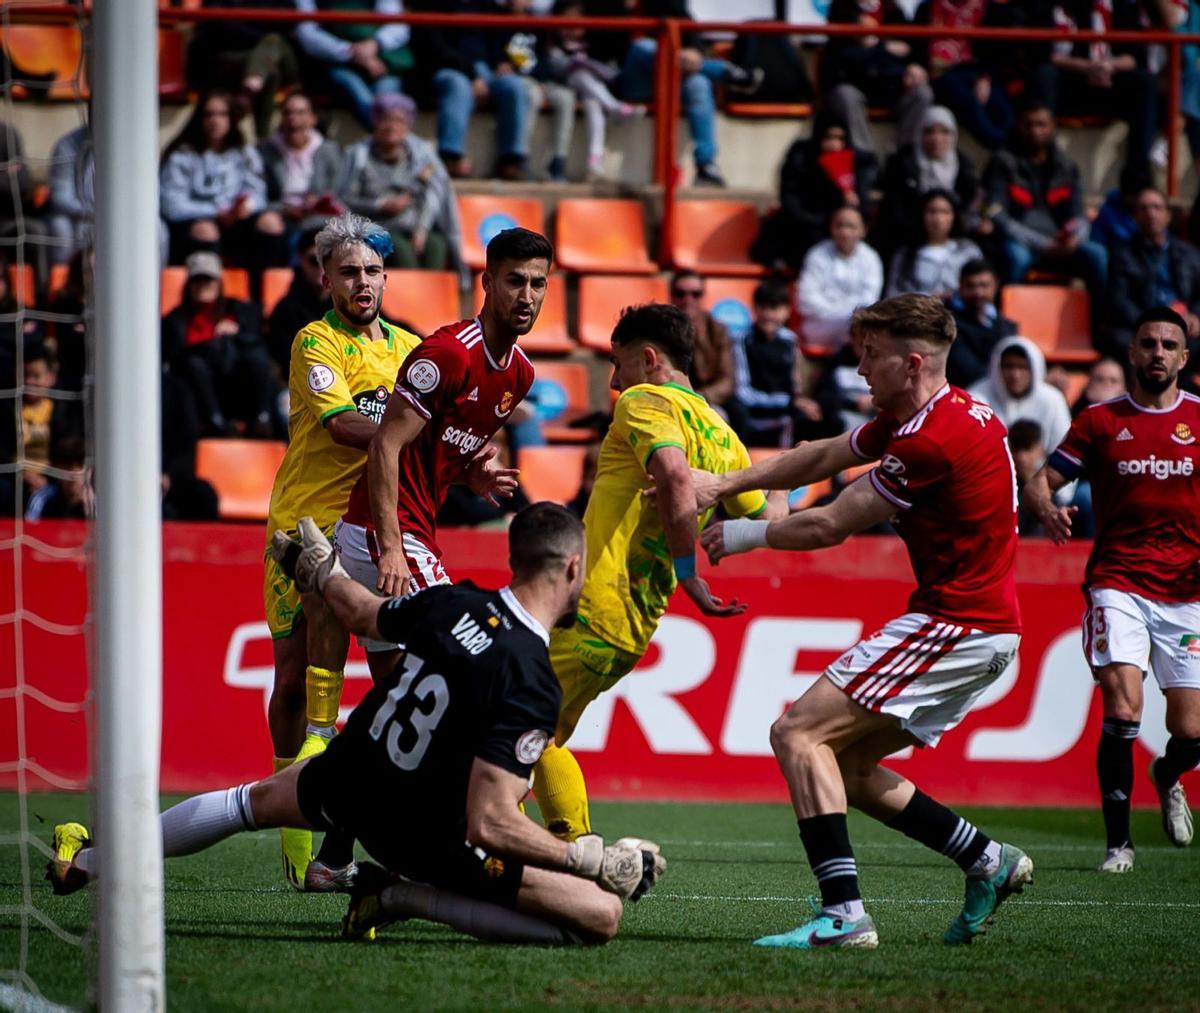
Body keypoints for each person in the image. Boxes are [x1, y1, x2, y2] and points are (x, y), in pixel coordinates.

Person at [48, 503, 668, 946]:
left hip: (355, 773)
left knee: (245, 803)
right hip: (419, 835)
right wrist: (587, 859)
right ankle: (398, 896)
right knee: (600, 917)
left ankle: (89, 863)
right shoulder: (533, 680)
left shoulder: (455, 601)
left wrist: (317, 568)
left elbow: (360, 611)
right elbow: (491, 821)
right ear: (571, 569)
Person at [694, 294, 1033, 949]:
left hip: (958, 625)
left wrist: (743, 534)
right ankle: (986, 859)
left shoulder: (935, 438)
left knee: (796, 733)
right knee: (841, 766)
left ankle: (845, 915)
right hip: (978, 626)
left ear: (911, 364)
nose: (856, 369)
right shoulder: (928, 415)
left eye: (870, 355)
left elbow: (831, 521)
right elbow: (823, 454)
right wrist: (721, 482)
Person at [531, 302, 787, 841]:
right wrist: (785, 480)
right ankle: (566, 866)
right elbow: (769, 523)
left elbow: (671, 473)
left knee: (499, 730)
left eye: (618, 363)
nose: (614, 379)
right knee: (536, 738)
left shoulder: (645, 401)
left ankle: (566, 864)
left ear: (649, 359)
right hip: (630, 630)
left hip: (588, 604)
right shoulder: (722, 435)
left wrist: (688, 569)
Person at [260, 213, 422, 892]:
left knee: (394, 689)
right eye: (349, 271)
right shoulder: (313, 341)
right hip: (306, 521)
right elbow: (347, 424)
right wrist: (418, 426)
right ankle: (291, 815)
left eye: (372, 271)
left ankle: (348, 838)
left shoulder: (413, 347)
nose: (362, 282)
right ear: (324, 276)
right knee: (297, 683)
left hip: (377, 527)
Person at [1024, 305, 1200, 873]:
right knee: (1123, 708)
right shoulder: (1100, 421)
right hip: (1117, 582)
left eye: (1168, 345)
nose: (1157, 353)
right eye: (1147, 342)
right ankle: (1118, 845)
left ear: (1183, 357)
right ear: (1132, 352)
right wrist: (1048, 508)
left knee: (1190, 731)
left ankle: (1168, 773)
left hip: (1188, 591)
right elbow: (1040, 480)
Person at [336, 226, 552, 684]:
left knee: (397, 696)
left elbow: (433, 451)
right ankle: (321, 579)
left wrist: (469, 476)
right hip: (384, 532)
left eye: (538, 283)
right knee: (466, 654)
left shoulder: (520, 374)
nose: (526, 296)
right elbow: (385, 444)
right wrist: (391, 548)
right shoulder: (448, 355)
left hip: (414, 530)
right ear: (488, 283)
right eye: (515, 281)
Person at [981, 98, 1107, 304]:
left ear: (1052, 127)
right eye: (1028, 124)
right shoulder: (1002, 162)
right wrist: (1042, 243)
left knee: (1097, 254)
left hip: (1063, 244)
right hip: (1024, 244)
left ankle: (1101, 323)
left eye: (1041, 124)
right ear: (1019, 126)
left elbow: (1079, 214)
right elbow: (997, 214)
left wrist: (1076, 237)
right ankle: (1007, 322)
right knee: (1015, 258)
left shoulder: (1066, 165)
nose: (1035, 130)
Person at [159, 90, 288, 272]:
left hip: (237, 222)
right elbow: (171, 205)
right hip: (194, 224)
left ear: (231, 119)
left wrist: (246, 207)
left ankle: (263, 294)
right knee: (206, 230)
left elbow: (258, 192)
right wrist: (216, 212)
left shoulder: (244, 152)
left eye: (222, 114)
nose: (215, 120)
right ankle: (205, 291)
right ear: (200, 119)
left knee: (271, 222)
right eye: (209, 114)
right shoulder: (182, 155)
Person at [161, 251, 278, 438]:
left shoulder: (240, 310)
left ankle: (262, 417)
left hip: (237, 384)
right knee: (194, 365)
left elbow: (258, 343)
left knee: (257, 359)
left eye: (208, 280)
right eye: (197, 281)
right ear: (188, 284)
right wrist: (210, 344)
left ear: (219, 283)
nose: (202, 286)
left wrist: (236, 333)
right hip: (199, 392)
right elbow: (175, 357)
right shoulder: (175, 320)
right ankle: (215, 421)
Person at [340, 93, 460, 273]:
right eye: (385, 119)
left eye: (398, 121)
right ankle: (412, 299)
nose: (391, 126)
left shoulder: (421, 156)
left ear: (407, 126)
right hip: (375, 226)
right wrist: (380, 205)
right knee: (400, 250)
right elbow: (344, 199)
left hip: (414, 225)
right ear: (374, 123)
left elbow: (431, 198)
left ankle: (435, 298)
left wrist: (421, 231)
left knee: (436, 246)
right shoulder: (358, 155)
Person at [752, 113, 878, 271]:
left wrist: (852, 204)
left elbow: (862, 209)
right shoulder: (801, 160)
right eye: (829, 138)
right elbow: (791, 204)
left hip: (839, 234)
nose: (834, 144)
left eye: (839, 139)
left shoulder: (857, 164)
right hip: (804, 229)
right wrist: (826, 222)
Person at [821, 0, 933, 160]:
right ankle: (865, 160)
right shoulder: (841, 8)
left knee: (922, 92)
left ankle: (904, 160)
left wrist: (914, 66)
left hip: (890, 86)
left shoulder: (893, 9)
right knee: (846, 95)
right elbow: (842, 56)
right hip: (855, 83)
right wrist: (884, 47)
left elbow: (909, 50)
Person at [728, 281, 828, 447]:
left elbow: (796, 384)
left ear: (787, 311)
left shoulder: (790, 340)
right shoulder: (741, 340)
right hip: (753, 414)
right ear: (755, 308)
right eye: (763, 307)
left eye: (775, 308)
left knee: (819, 417)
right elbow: (743, 393)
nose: (768, 314)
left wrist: (797, 401)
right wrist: (789, 402)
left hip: (787, 413)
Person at [877, 106, 980, 258]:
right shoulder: (901, 163)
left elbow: (968, 205)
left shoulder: (964, 166)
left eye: (944, 132)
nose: (936, 138)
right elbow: (894, 207)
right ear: (919, 133)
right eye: (929, 131)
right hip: (909, 235)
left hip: (954, 234)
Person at [1107, 187, 1200, 354]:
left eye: (1157, 207)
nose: (1151, 213)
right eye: (1144, 208)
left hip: (1183, 325)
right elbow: (1119, 301)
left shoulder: (1189, 254)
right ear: (1135, 217)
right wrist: (1151, 323)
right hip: (1142, 325)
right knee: (1124, 342)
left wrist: (1196, 316)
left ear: (1168, 215)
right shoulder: (1122, 254)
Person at [293, 0, 410, 129]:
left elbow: (398, 26)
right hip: (337, 63)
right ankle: (388, 138)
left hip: (382, 61)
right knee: (375, 109)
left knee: (388, 106)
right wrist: (354, 53)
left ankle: (388, 139)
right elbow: (307, 34)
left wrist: (374, 44)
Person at [257, 90, 346, 244]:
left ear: (312, 119)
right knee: (269, 223)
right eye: (287, 113)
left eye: (300, 113)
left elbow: (340, 189)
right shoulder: (265, 151)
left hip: (320, 217)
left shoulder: (329, 150)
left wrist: (318, 200)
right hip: (283, 215)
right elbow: (259, 194)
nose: (293, 118)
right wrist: (285, 208)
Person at [796, 206, 884, 351]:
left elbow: (869, 301)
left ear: (863, 230)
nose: (844, 232)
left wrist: (845, 315)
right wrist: (842, 313)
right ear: (831, 228)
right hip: (822, 325)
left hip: (856, 326)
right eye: (839, 225)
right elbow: (806, 300)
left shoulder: (871, 258)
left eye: (851, 226)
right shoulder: (817, 255)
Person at [968, 335, 1072, 457]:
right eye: (1009, 366)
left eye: (1023, 367)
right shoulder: (976, 398)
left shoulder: (1053, 400)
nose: (1015, 375)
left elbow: (1064, 452)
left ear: (1035, 369)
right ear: (997, 367)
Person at [886, 189, 983, 299]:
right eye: (932, 211)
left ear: (954, 216)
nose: (938, 219)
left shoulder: (968, 250)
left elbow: (981, 286)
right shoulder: (905, 255)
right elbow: (893, 295)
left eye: (945, 212)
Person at [265, 227, 331, 376]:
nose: (321, 267)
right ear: (302, 261)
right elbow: (283, 358)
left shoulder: (350, 302)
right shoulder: (286, 309)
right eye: (314, 260)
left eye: (327, 260)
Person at [945, 258, 1017, 388]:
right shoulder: (949, 323)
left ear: (995, 286)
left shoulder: (1008, 326)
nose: (978, 293)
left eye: (984, 285)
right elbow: (968, 370)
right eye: (971, 286)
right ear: (960, 287)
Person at [670, 270, 733, 411]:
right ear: (671, 295)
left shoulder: (718, 330)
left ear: (703, 296)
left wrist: (699, 397)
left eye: (695, 294)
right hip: (672, 398)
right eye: (680, 293)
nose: (688, 300)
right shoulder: (659, 330)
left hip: (707, 398)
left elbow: (727, 381)